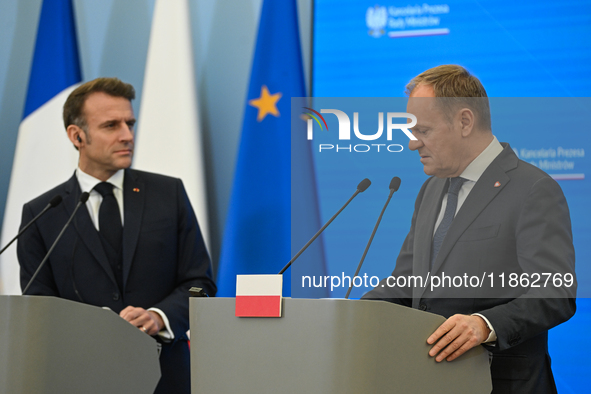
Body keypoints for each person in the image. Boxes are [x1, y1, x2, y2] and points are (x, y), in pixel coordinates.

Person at [363, 65, 576, 393]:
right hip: (429, 382)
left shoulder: (532, 189)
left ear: (464, 121)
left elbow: (555, 292)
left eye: (423, 131)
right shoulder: (430, 190)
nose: (412, 144)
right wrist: (348, 315)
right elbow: (406, 282)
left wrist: (485, 325)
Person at [17, 77, 216, 394]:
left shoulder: (169, 194)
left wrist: (159, 317)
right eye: (111, 125)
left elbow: (199, 283)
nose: (127, 136)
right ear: (77, 135)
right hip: (79, 379)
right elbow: (40, 309)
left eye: (130, 123)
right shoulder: (42, 214)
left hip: (166, 378)